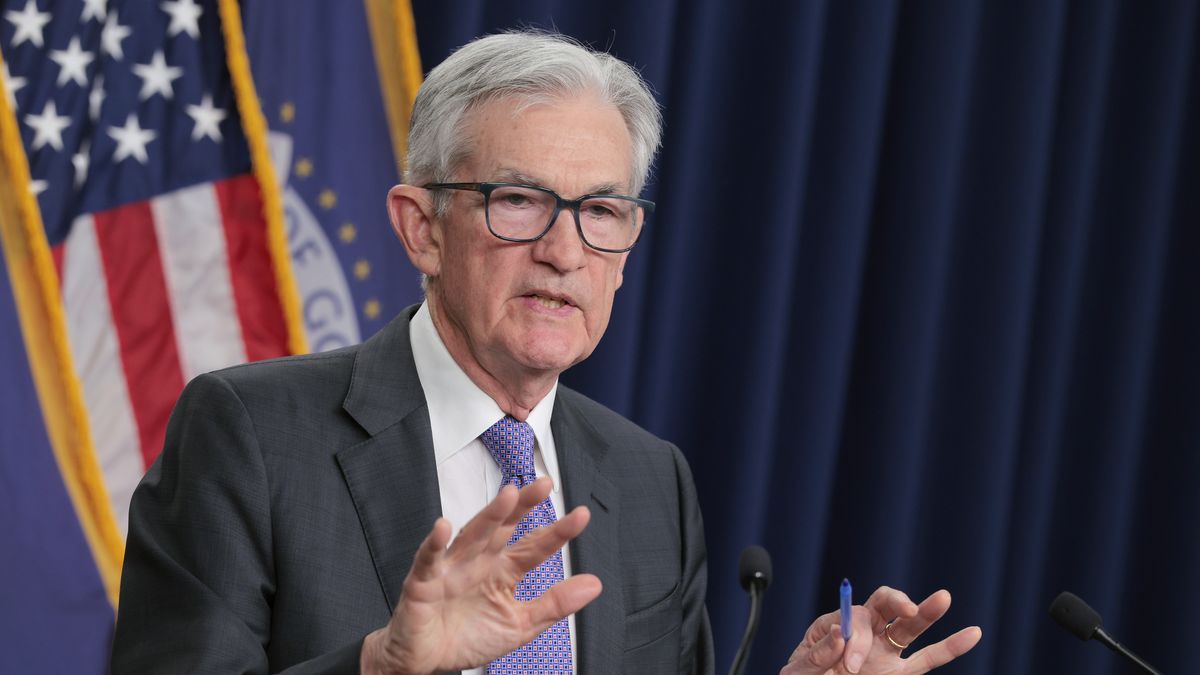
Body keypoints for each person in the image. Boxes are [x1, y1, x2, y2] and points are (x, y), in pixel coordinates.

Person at [111, 30, 982, 674]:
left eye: (601, 212)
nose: (565, 251)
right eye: (520, 199)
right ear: (422, 229)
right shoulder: (252, 435)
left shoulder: (650, 479)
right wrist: (380, 664)